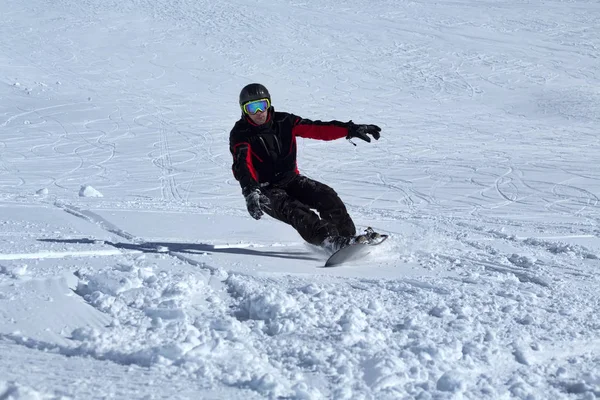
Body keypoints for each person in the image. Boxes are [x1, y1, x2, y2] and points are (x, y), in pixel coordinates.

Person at [229, 83, 381, 253]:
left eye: (262, 105)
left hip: (291, 180)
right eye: (252, 108)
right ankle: (330, 241)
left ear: (269, 103)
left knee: (326, 195)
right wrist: (250, 191)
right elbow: (242, 165)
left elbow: (317, 129)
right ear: (244, 110)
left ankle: (348, 239)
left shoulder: (285, 121)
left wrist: (349, 129)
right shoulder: (240, 133)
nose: (258, 113)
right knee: (296, 210)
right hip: (265, 190)